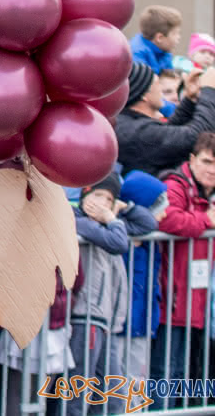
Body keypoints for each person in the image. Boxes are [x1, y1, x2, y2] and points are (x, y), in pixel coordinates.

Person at [152, 132, 215, 386]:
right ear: (192, 159)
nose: (212, 170)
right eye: (207, 162)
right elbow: (166, 218)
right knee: (163, 371)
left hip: (199, 299)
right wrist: (206, 221)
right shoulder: (175, 185)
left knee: (183, 372)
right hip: (171, 295)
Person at [69, 172, 133, 414]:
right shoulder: (77, 219)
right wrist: (111, 218)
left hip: (105, 320)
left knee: (113, 395)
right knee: (77, 393)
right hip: (85, 317)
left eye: (108, 199)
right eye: (97, 196)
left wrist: (124, 210)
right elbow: (118, 243)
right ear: (84, 195)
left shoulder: (109, 223)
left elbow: (147, 223)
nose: (102, 204)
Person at [116, 61, 215, 177]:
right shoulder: (136, 131)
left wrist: (190, 100)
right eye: (157, 84)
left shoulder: (129, 124)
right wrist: (210, 92)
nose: (161, 89)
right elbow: (196, 137)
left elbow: (169, 133)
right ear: (144, 95)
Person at [119, 171, 169, 382]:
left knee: (137, 379)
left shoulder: (149, 243)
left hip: (141, 322)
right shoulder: (123, 239)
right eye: (159, 209)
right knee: (119, 380)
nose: (164, 215)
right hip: (124, 323)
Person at [130, 6, 183, 74]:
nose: (179, 37)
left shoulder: (164, 52)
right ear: (159, 38)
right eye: (175, 33)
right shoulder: (136, 55)